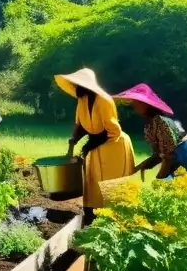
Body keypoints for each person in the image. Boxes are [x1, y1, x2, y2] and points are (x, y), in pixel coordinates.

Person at [114, 83, 187, 205]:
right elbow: (158, 154)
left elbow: (169, 155)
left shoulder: (162, 122)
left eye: (137, 102)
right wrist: (138, 168)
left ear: (146, 104)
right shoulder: (149, 125)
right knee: (181, 195)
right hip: (178, 156)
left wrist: (160, 178)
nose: (134, 105)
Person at [55, 67, 135, 220]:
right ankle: (92, 212)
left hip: (114, 144)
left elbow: (113, 130)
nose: (75, 88)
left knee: (111, 184)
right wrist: (74, 138)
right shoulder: (82, 100)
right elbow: (80, 125)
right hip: (97, 145)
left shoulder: (104, 100)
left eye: (78, 85)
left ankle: (115, 216)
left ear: (87, 85)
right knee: (93, 181)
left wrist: (89, 145)